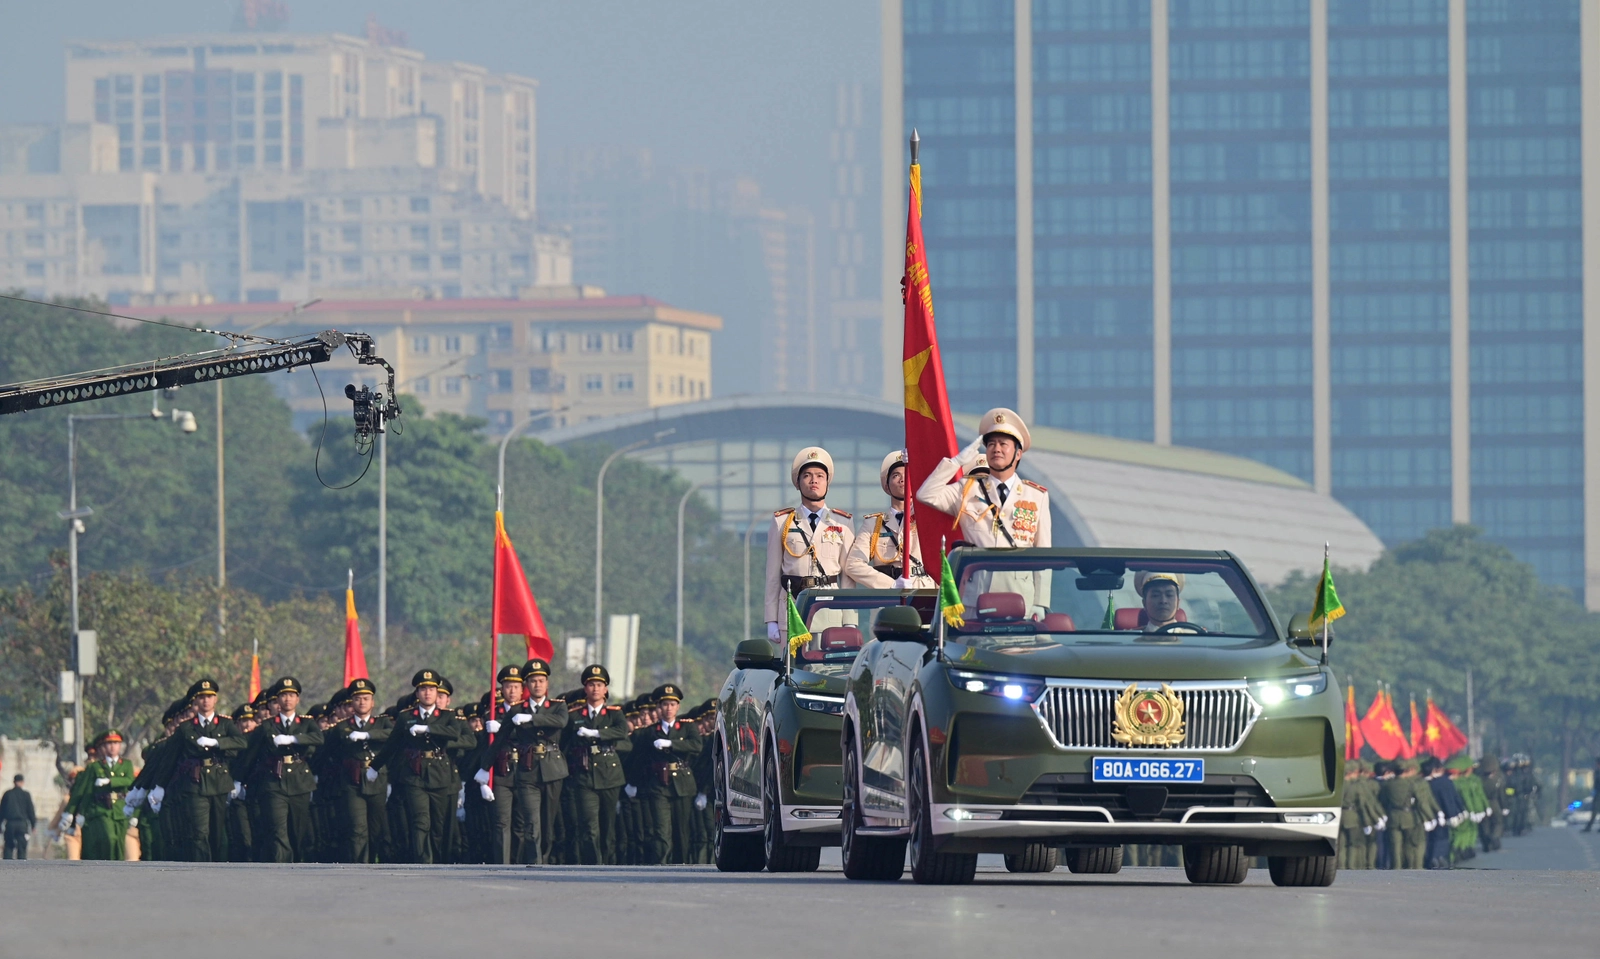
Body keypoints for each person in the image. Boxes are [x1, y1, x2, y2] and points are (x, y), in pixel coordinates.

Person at [916, 408, 1052, 614]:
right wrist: (956, 463)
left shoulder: (1036, 496)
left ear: (1018, 453)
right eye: (991, 444)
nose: (996, 448)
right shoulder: (967, 489)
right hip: (977, 597)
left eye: (1003, 444)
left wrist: (1040, 603)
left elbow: (1043, 554)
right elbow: (925, 494)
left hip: (1021, 599)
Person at [764, 447, 855, 644]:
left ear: (827, 483)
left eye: (820, 476)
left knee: (827, 671)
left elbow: (847, 577)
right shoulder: (782, 522)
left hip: (829, 610)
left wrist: (850, 621)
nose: (814, 480)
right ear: (797, 483)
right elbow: (772, 575)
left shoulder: (842, 523)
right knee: (793, 671)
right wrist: (771, 619)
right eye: (807, 475)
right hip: (792, 609)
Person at [376, 669, 467, 864]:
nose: (427, 693)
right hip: (414, 774)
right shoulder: (405, 717)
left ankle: (437, 861)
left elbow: (454, 734)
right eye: (423, 689)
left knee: (438, 825)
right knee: (420, 821)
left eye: (432, 689)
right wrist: (374, 767)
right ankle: (423, 862)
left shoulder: (447, 716)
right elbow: (391, 745)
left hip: (440, 774)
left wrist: (428, 728)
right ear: (417, 693)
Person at [240, 677, 323, 862]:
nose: (287, 699)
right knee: (278, 830)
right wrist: (239, 780)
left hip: (300, 782)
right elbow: (250, 755)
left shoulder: (306, 723)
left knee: (298, 832)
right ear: (277, 700)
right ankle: (282, 868)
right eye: (283, 695)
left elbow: (318, 739)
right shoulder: (267, 726)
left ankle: (297, 864)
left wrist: (294, 739)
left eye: (291, 695)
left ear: (298, 699)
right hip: (274, 784)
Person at [169, 678, 248, 862]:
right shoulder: (186, 727)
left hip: (219, 781)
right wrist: (159, 785)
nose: (206, 700)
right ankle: (202, 868)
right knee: (199, 831)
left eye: (210, 696)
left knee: (217, 832)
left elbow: (242, 742)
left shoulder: (226, 724)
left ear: (216, 699)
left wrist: (217, 743)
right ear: (196, 701)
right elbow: (170, 757)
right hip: (195, 783)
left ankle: (216, 866)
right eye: (202, 697)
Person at [563, 664, 631, 865]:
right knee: (588, 825)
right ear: (585, 688)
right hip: (583, 777)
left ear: (606, 689)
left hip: (610, 775)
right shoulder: (575, 716)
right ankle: (592, 864)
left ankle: (607, 864)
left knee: (607, 826)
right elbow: (564, 744)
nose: (595, 688)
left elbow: (622, 732)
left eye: (599, 684)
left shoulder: (614, 714)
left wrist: (598, 734)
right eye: (591, 684)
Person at [844, 450, 936, 590]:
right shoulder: (873, 524)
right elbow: (853, 564)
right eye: (896, 475)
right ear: (887, 486)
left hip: (923, 591)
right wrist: (890, 585)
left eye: (908, 475)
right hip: (887, 598)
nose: (902, 479)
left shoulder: (926, 518)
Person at [324, 678, 391, 863]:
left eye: (366, 698)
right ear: (352, 702)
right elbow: (330, 752)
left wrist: (367, 735)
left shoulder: (383, 724)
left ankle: (371, 860)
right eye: (358, 698)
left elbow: (392, 737)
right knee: (357, 827)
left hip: (377, 778)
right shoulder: (341, 727)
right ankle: (360, 867)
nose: (362, 702)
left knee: (375, 829)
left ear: (373, 702)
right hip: (352, 780)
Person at [509, 658, 568, 864]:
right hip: (527, 771)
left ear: (547, 683)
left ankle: (544, 857)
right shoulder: (516, 710)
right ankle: (535, 863)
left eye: (541, 680)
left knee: (547, 823)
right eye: (533, 681)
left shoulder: (558, 707)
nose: (537, 685)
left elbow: (560, 722)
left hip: (553, 769)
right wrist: (483, 769)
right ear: (527, 684)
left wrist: (532, 719)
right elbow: (500, 741)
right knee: (531, 822)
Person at [66, 730, 135, 860]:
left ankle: (118, 869)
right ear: (103, 747)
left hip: (120, 809)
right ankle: (109, 867)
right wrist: (77, 812)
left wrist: (110, 782)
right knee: (109, 838)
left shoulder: (126, 764)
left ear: (120, 745)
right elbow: (85, 791)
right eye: (109, 743)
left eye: (116, 743)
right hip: (103, 809)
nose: (112, 746)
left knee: (119, 843)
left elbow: (130, 781)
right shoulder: (95, 767)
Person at [1, 774, 36, 859]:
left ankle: (7, 867)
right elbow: (31, 810)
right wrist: (33, 825)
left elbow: (1, 811)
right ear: (22, 782)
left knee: (9, 846)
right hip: (22, 824)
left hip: (10, 824)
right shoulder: (26, 795)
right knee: (22, 847)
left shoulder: (7, 794)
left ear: (14, 782)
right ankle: (21, 866)